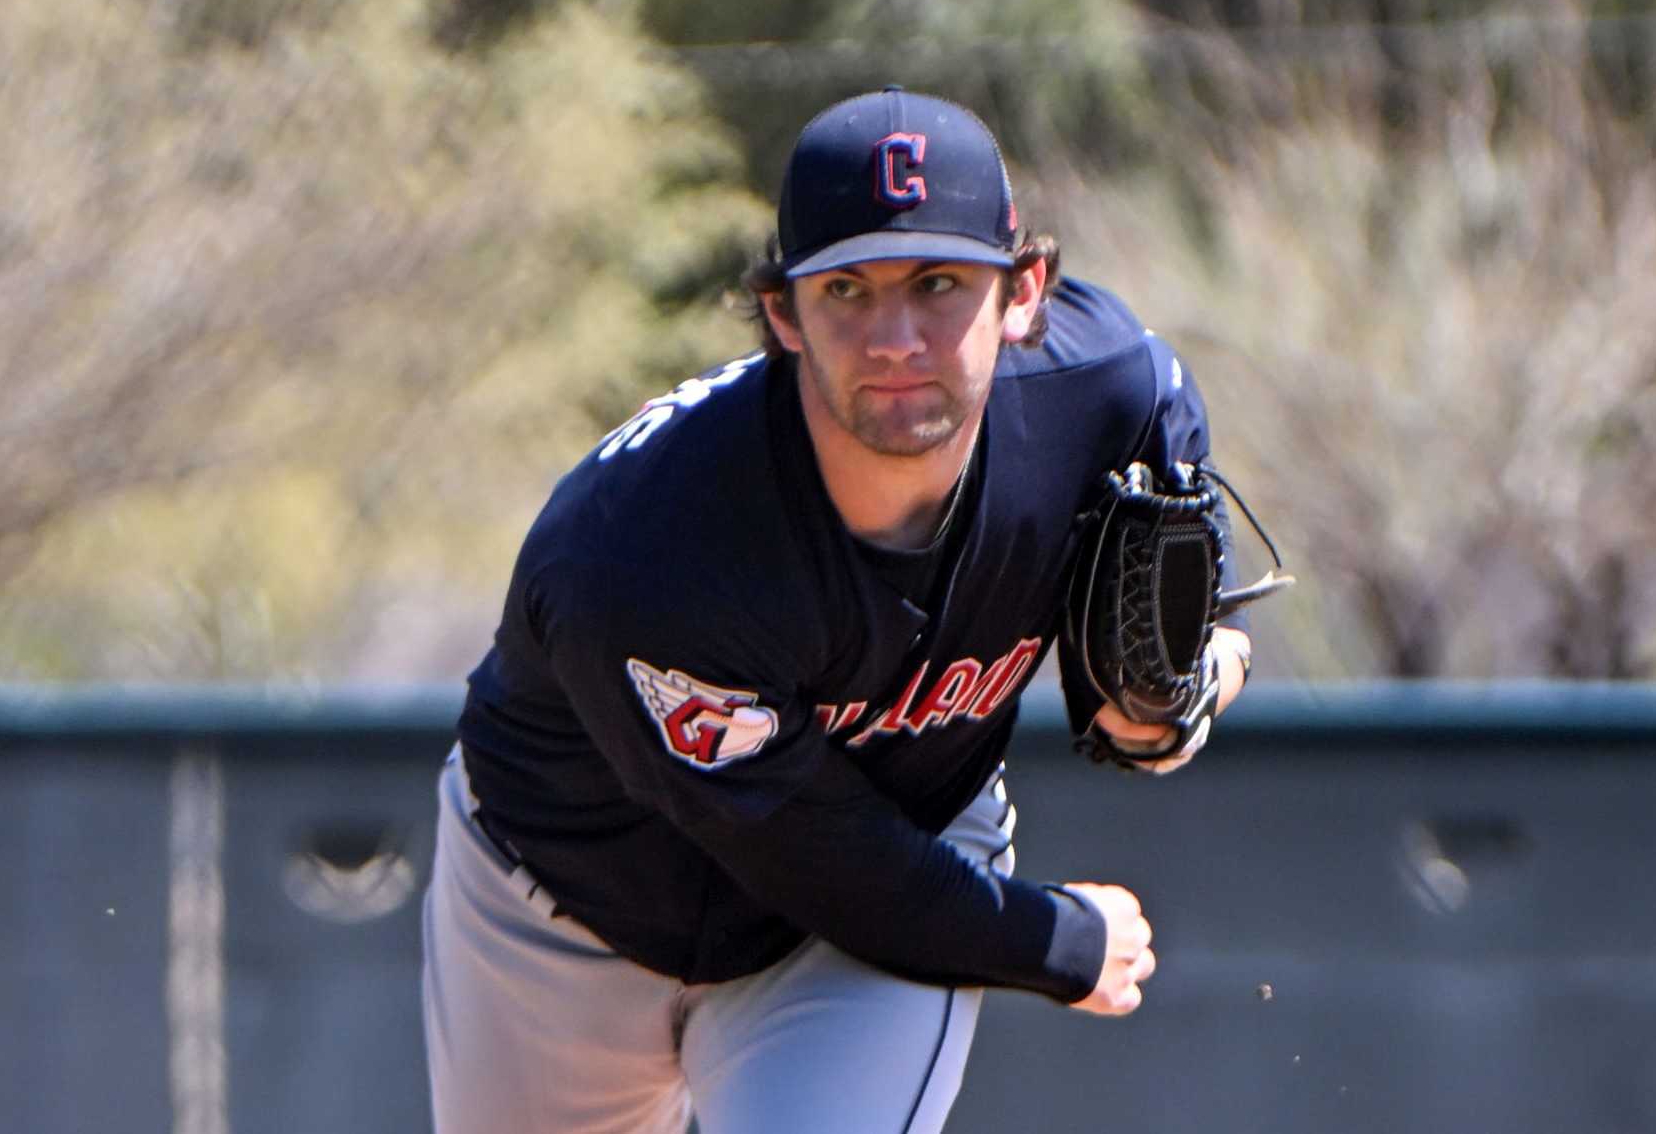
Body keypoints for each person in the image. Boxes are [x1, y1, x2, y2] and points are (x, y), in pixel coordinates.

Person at [421, 86, 1255, 1134]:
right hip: (562, 906)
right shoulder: (651, 551)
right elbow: (821, 857)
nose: (895, 336)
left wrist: (1191, 683)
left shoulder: (1112, 397)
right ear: (783, 314)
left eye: (941, 282)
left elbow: (1190, 624)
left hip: (875, 903)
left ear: (1024, 291)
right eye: (848, 290)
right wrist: (1050, 940)